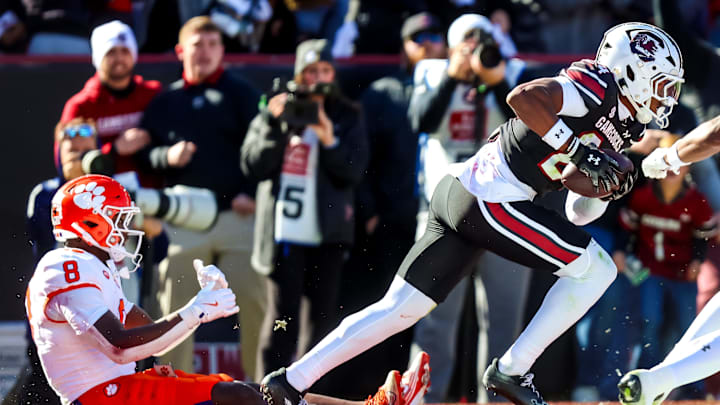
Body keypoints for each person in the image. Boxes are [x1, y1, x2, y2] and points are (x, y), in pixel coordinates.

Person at [261, 21, 684, 405]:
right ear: (631, 70)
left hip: (465, 192)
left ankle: (289, 381)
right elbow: (524, 98)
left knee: (398, 309)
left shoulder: (627, 124)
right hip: (490, 196)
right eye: (662, 85)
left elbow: (577, 210)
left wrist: (609, 184)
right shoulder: (595, 84)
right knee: (597, 270)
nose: (667, 96)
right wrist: (579, 151)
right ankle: (512, 370)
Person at [25, 173, 431, 405]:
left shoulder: (91, 267)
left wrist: (194, 309)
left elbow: (146, 336)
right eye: (116, 218)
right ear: (89, 223)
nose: (127, 228)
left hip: (119, 388)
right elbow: (120, 346)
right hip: (102, 397)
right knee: (241, 398)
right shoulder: (65, 266)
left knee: (256, 392)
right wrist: (195, 312)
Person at [136, 16, 266, 380]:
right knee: (174, 305)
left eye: (213, 44)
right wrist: (167, 157)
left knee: (257, 300)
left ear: (223, 50)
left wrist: (251, 192)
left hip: (236, 216)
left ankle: (260, 390)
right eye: (198, 44)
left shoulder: (242, 93)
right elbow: (146, 153)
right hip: (184, 218)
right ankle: (176, 390)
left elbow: (265, 150)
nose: (206, 52)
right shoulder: (166, 102)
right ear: (181, 50)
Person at [241, 38, 368, 378]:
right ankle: (269, 391)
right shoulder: (276, 108)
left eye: (324, 70)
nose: (317, 78)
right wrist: (273, 123)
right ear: (298, 75)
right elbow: (252, 165)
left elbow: (354, 172)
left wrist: (329, 138)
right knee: (282, 318)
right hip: (282, 234)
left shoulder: (347, 114)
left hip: (326, 234)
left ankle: (309, 392)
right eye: (310, 71)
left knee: (322, 320)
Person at [617, 114, 720, 405]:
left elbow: (713, 133)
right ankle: (661, 378)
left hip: (680, 272)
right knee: (651, 320)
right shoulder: (645, 196)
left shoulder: (694, 200)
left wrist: (671, 156)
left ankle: (662, 378)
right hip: (652, 271)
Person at [59, 20, 161, 187]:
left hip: (152, 200)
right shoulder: (80, 106)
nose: (119, 58)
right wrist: (114, 150)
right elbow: (70, 166)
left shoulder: (153, 94)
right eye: (111, 52)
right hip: (102, 201)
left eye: (125, 51)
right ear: (98, 57)